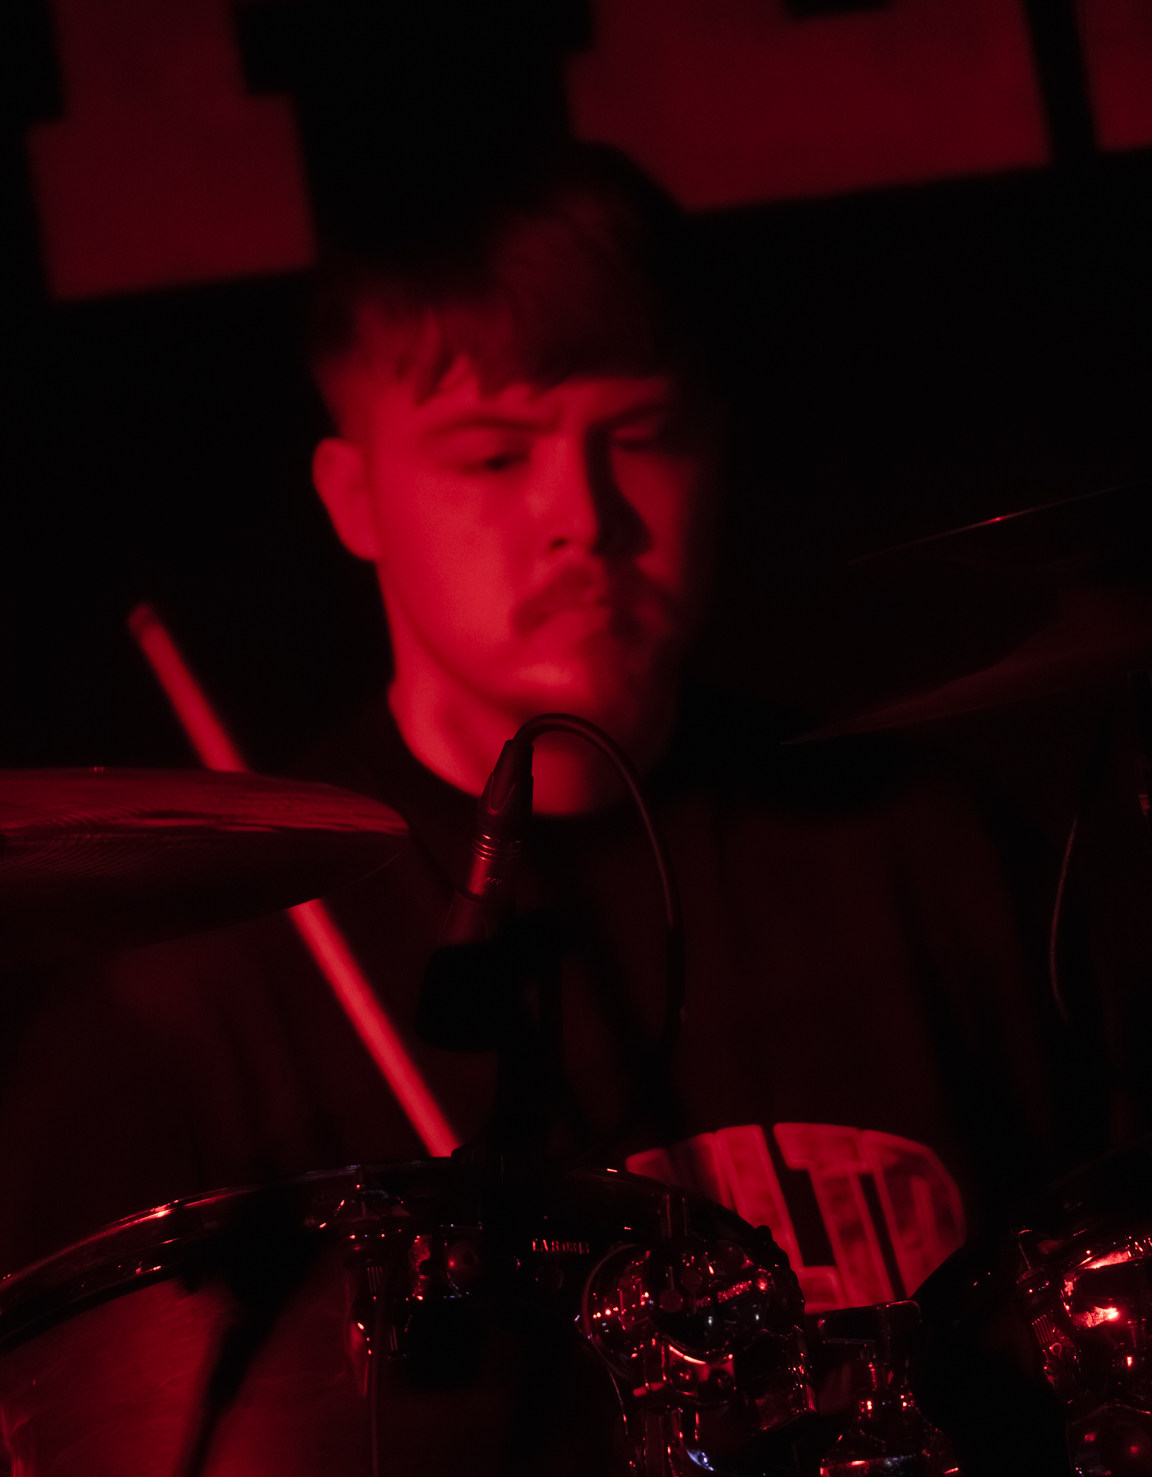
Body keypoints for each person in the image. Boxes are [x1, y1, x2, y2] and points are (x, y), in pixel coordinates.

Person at [0, 144, 1057, 1302]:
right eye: (496, 455)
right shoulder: (200, 1005)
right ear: (353, 498)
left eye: (639, 437)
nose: (583, 517)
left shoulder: (936, 855)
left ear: (714, 448)